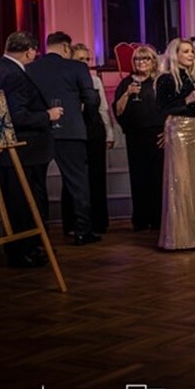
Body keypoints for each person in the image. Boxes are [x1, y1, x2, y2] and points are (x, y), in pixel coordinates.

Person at [0, 32, 62, 268]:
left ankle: (27, 248)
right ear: (29, 51)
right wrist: (48, 115)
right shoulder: (14, 74)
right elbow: (16, 116)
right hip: (24, 151)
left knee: (17, 203)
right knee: (24, 204)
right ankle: (24, 252)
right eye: (34, 52)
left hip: (9, 150)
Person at [26, 31, 100, 245]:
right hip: (71, 131)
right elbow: (91, 99)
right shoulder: (77, 67)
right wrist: (84, 120)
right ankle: (82, 231)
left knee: (37, 185)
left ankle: (41, 234)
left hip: (38, 131)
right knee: (78, 183)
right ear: (66, 47)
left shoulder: (30, 68)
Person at [155, 38, 195, 251]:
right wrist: (186, 101)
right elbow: (162, 108)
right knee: (180, 182)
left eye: (191, 51)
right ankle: (179, 237)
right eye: (185, 51)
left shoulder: (194, 76)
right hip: (178, 129)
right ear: (174, 54)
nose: (190, 54)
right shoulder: (166, 79)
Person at [113, 45, 165, 232]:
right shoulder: (126, 82)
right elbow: (118, 110)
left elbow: (168, 108)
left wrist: (167, 131)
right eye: (137, 59)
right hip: (135, 135)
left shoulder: (160, 81)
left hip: (157, 134)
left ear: (153, 61)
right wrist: (127, 93)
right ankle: (141, 219)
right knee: (138, 177)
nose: (141, 62)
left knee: (157, 177)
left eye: (145, 59)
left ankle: (157, 219)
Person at [64, 43, 113, 235]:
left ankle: (98, 223)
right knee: (74, 179)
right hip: (74, 132)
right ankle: (74, 224)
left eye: (87, 59)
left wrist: (109, 133)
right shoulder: (66, 81)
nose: (84, 63)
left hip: (94, 132)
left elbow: (103, 109)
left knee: (96, 177)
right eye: (80, 59)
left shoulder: (95, 81)